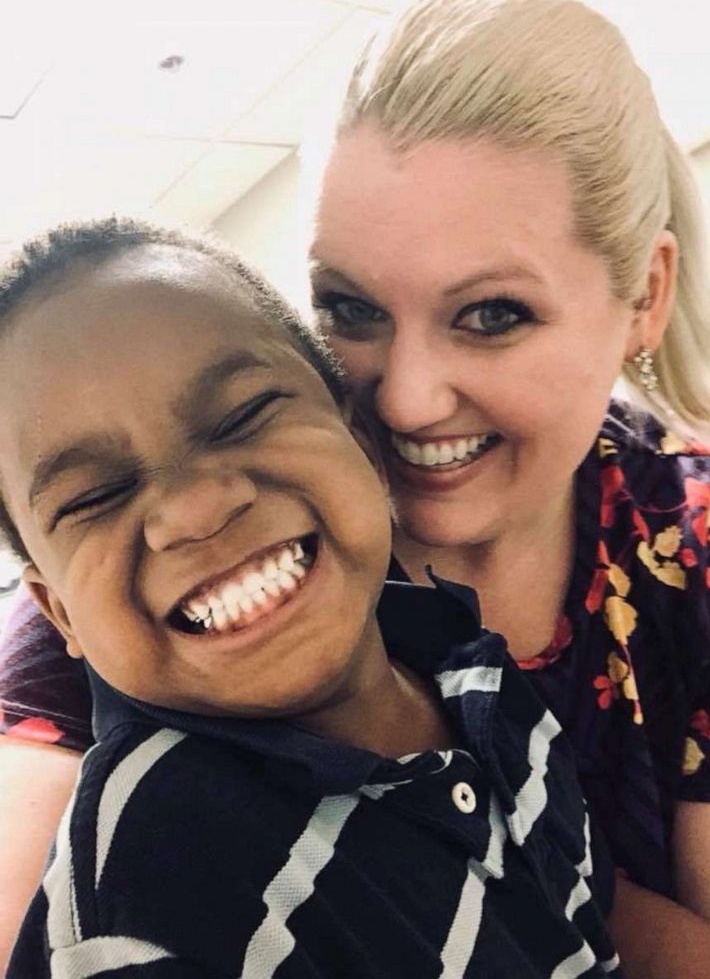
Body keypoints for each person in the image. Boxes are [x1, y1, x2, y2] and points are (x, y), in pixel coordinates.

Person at [1, 0, 710, 975]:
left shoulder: (678, 560)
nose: (402, 400)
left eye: (491, 314)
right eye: (349, 308)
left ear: (643, 295)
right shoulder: (157, 629)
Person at [2, 217, 620, 977]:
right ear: (58, 610)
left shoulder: (476, 674)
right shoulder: (149, 892)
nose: (196, 507)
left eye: (243, 415)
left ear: (361, 443)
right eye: (97, 494)